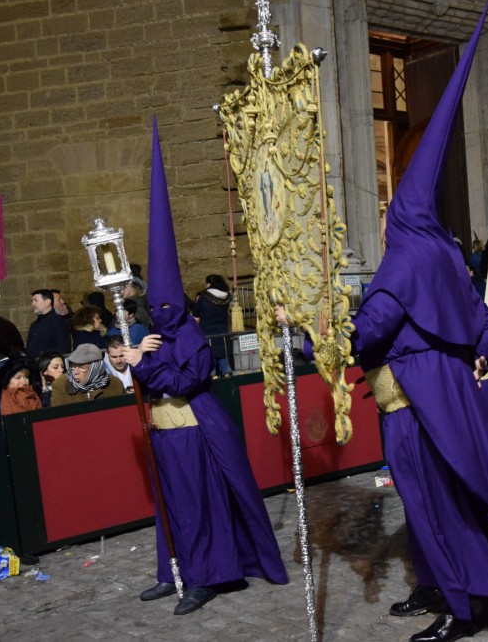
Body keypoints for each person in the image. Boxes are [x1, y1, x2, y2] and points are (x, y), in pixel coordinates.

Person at [296, 9, 488, 642]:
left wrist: (316, 329)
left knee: (431, 499)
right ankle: (441, 583)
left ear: (396, 215)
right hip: (448, 392)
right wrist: (479, 353)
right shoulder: (447, 254)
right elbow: (479, 326)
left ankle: (460, 607)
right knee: (444, 495)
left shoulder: (403, 258)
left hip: (414, 402)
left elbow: (370, 332)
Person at [127, 118, 288, 617]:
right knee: (173, 508)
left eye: (168, 306)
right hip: (164, 432)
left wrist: (146, 365)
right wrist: (132, 359)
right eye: (159, 307)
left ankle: (209, 575)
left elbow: (185, 380)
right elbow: (148, 382)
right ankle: (172, 569)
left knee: (201, 505)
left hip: (194, 430)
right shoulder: (151, 335)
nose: (164, 314)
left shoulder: (191, 335)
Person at [50, 343, 124, 406]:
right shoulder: (60, 385)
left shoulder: (115, 384)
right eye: (73, 366)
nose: (75, 372)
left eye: (81, 367)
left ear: (95, 368)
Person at [191, 274, 232, 378]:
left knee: (210, 361)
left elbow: (195, 312)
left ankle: (213, 379)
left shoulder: (204, 297)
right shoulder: (226, 297)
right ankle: (229, 380)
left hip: (207, 333)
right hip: (223, 333)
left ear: (209, 283)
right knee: (223, 359)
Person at [26, 289, 72, 358]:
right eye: (32, 301)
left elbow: (64, 349)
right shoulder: (34, 324)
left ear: (47, 302)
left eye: (35, 300)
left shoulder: (58, 321)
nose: (32, 304)